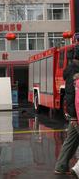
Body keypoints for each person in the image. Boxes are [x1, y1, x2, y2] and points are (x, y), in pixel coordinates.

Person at [54, 44, 79, 175]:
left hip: (75, 114)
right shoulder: (74, 72)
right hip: (77, 114)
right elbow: (71, 95)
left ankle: (61, 166)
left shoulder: (71, 70)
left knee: (71, 141)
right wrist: (74, 116)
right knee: (71, 141)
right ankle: (77, 170)